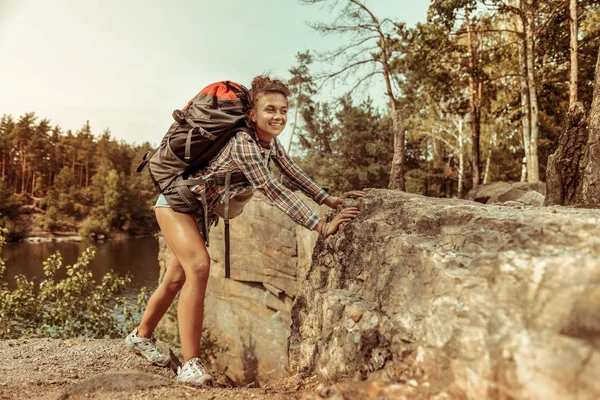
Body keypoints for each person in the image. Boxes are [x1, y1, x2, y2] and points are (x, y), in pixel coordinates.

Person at [125, 75, 365, 386]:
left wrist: (327, 198)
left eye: (283, 110)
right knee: (198, 267)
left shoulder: (269, 143)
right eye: (270, 109)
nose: (278, 116)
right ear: (252, 113)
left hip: (198, 212)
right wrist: (320, 225)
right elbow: (273, 189)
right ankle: (190, 364)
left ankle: (140, 336)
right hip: (175, 206)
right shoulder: (244, 144)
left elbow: (291, 171)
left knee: (175, 278)